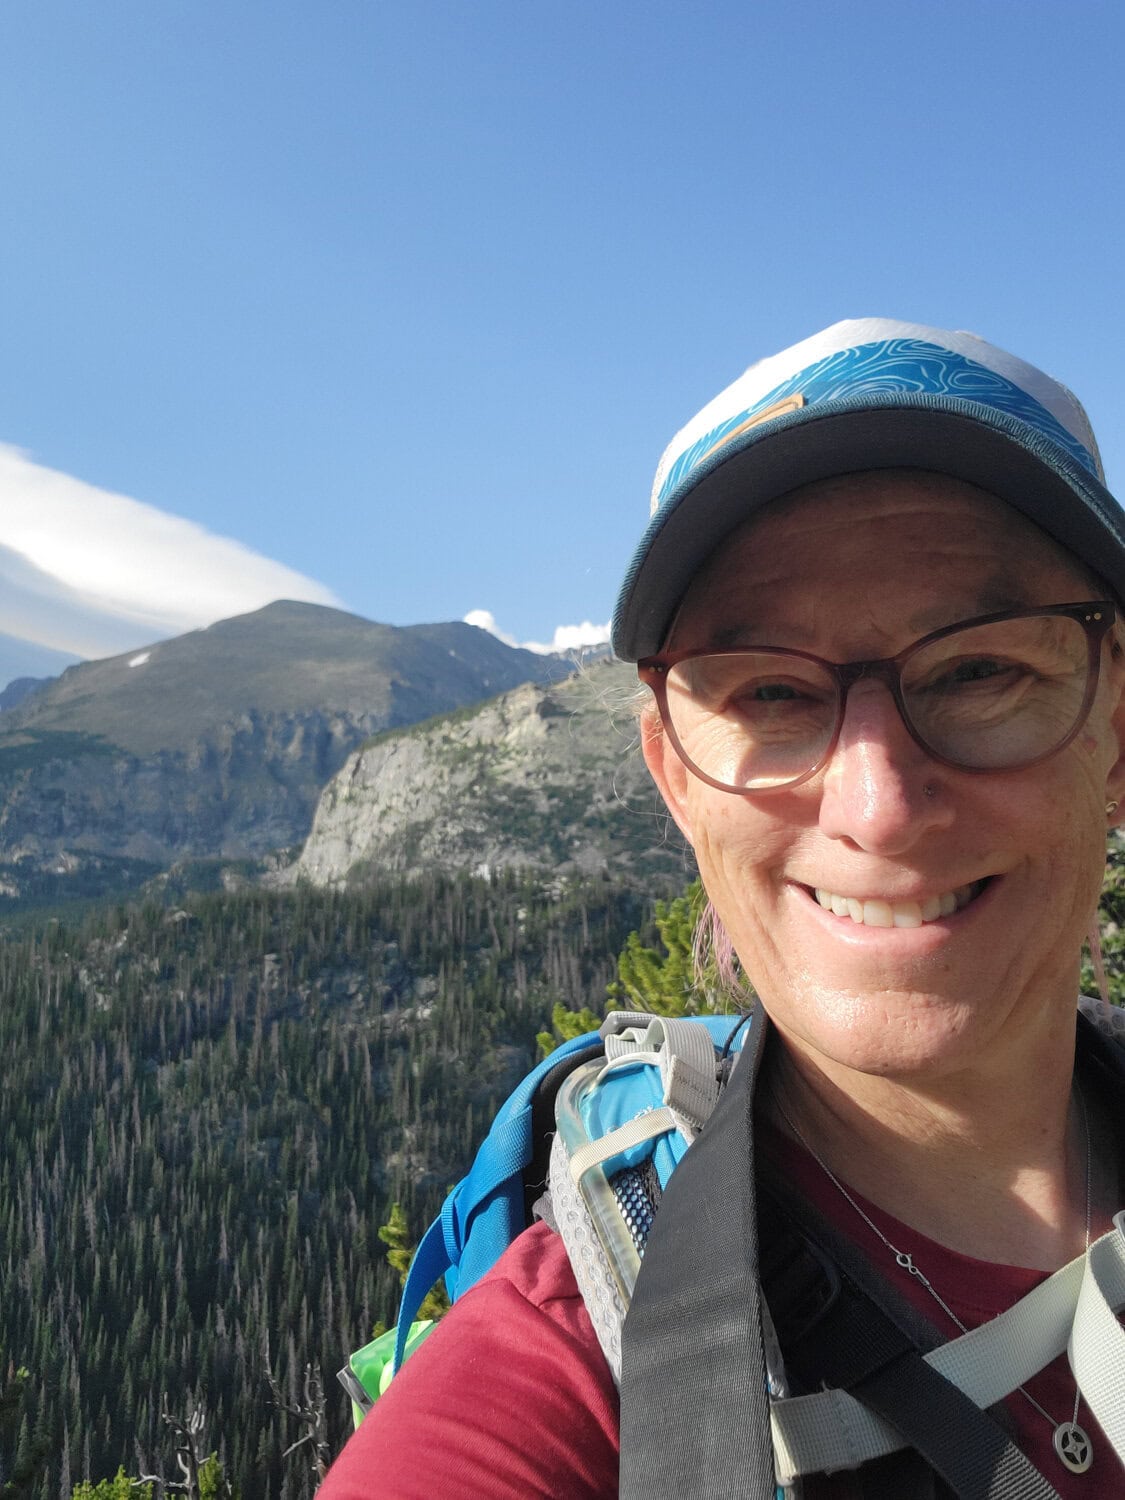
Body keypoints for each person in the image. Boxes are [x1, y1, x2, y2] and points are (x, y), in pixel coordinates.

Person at [319, 319, 1125, 1498]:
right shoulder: (564, 1377)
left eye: (980, 670)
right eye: (770, 694)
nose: (879, 807)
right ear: (676, 781)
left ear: (1116, 733)